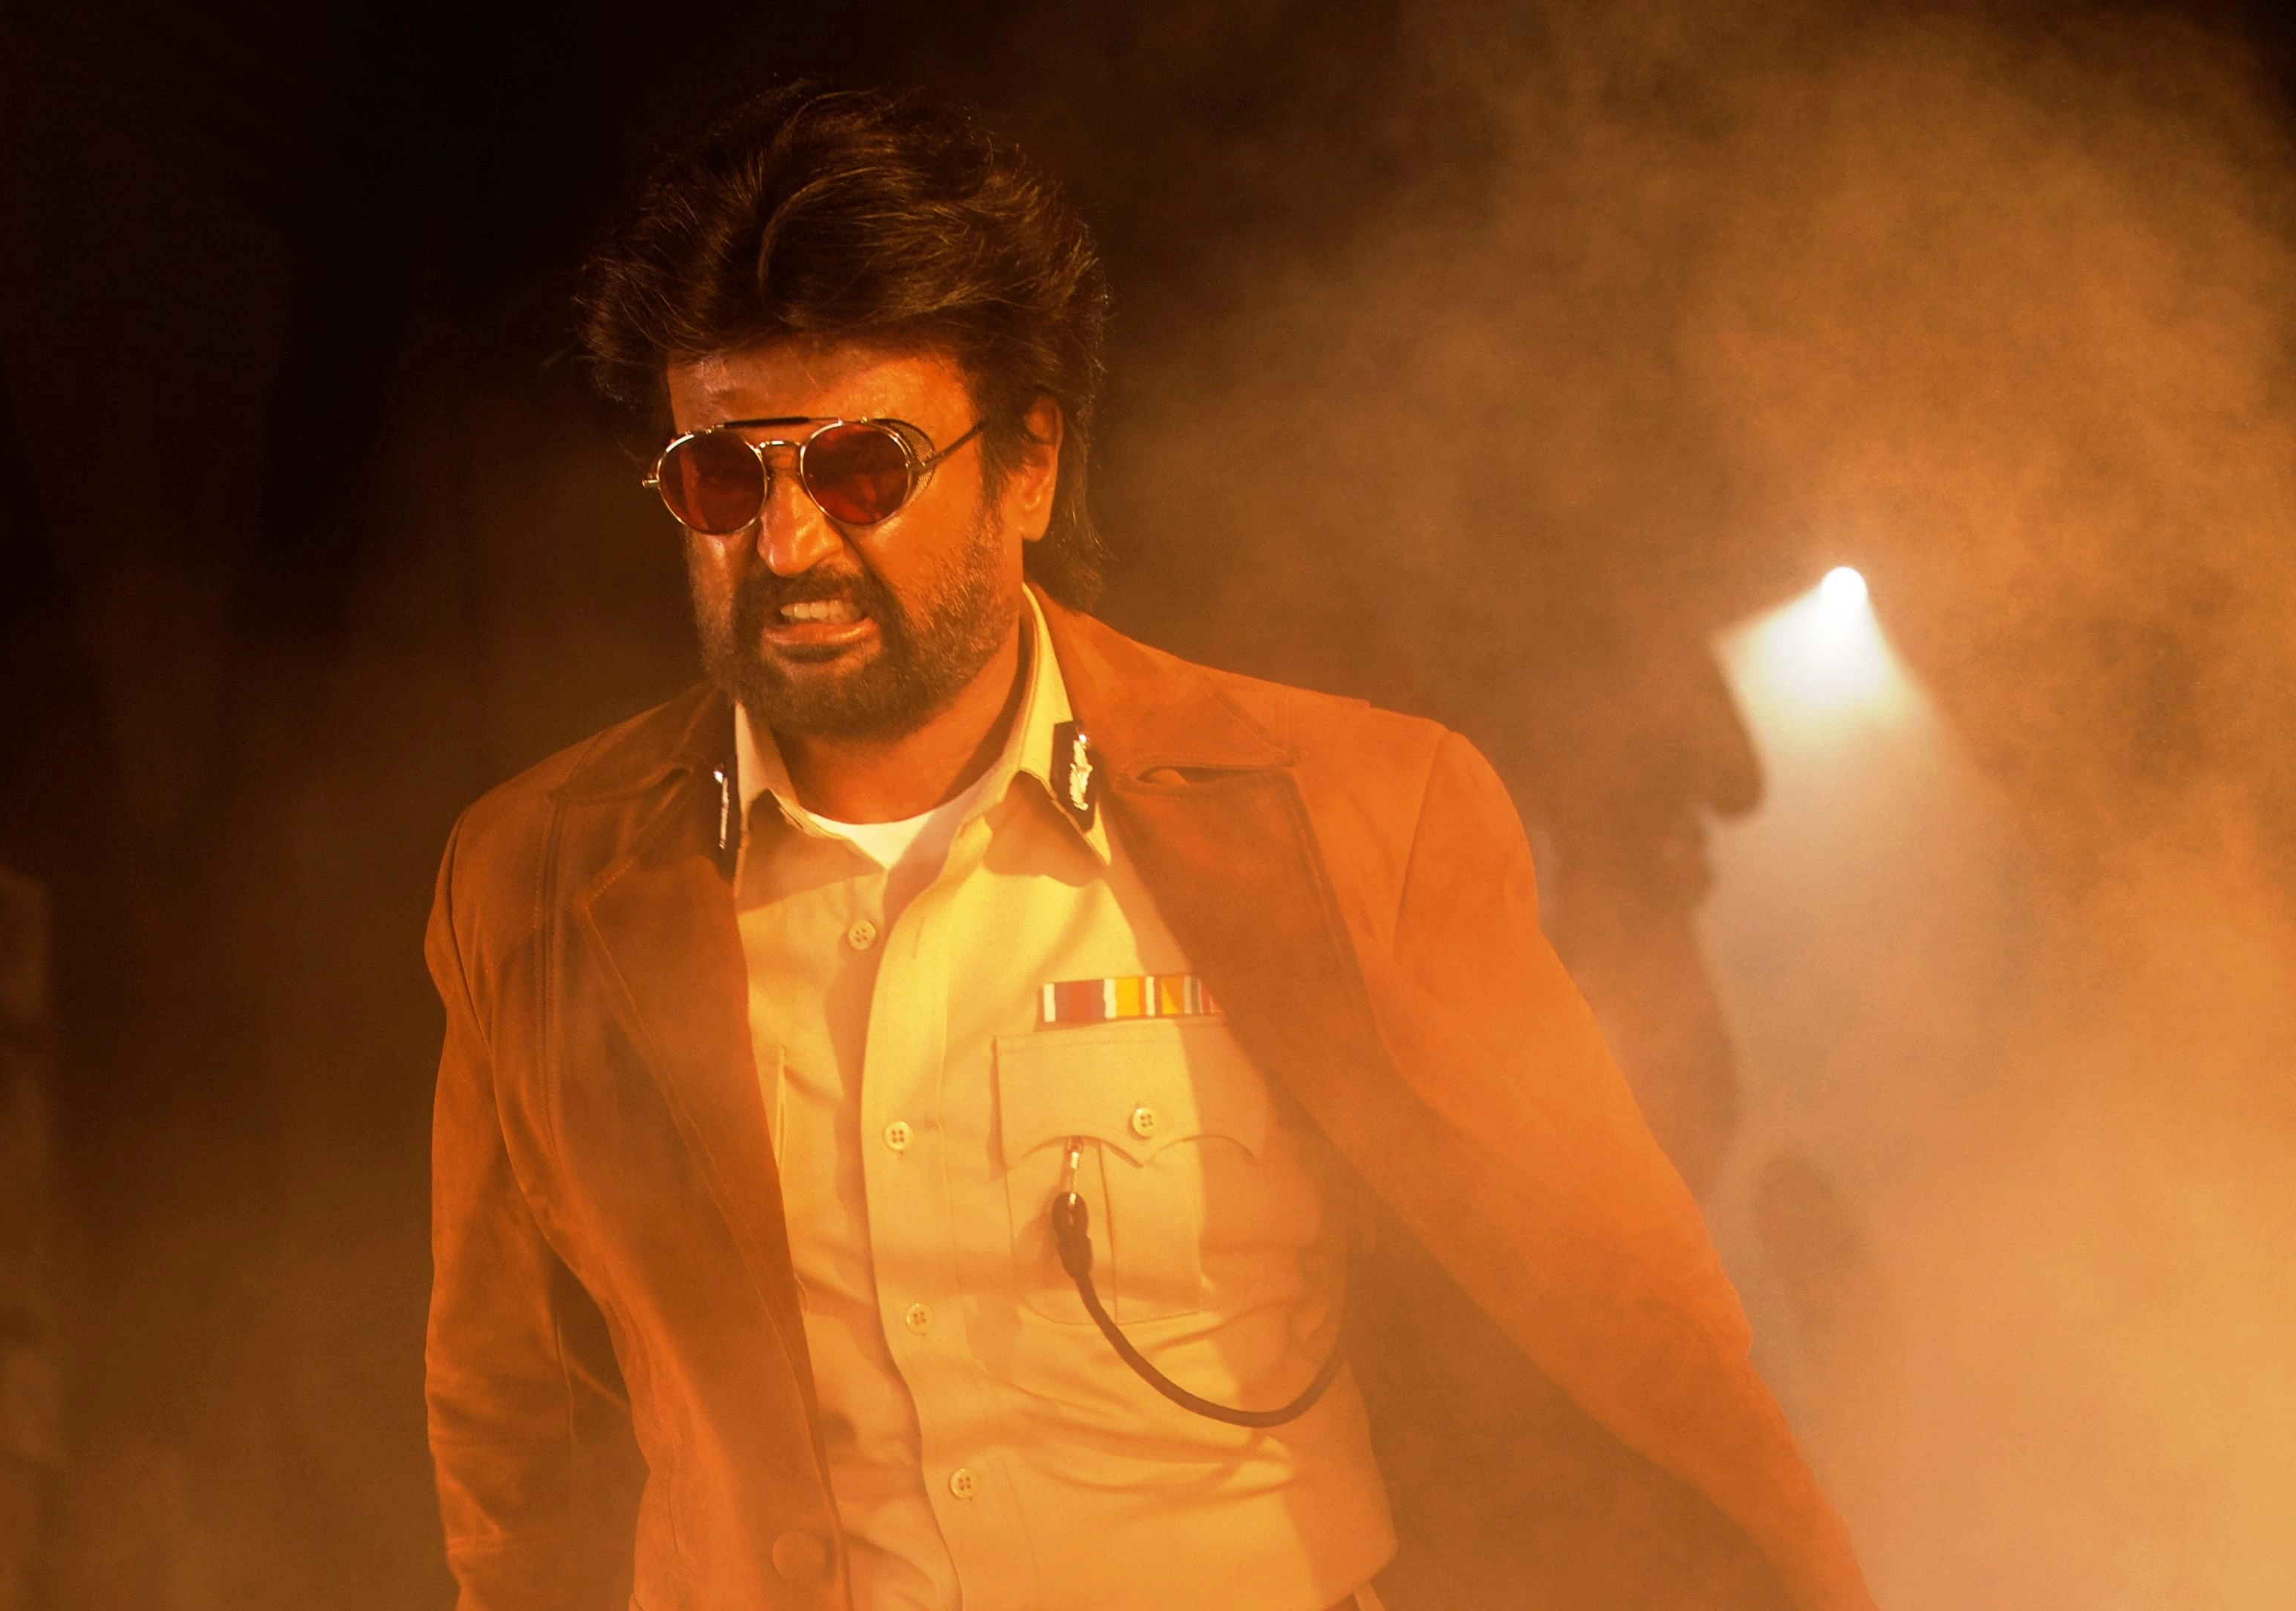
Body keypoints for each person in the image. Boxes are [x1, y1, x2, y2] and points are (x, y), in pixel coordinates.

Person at [422, 83, 1872, 1611]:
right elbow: (517, 1442)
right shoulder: (536, 882)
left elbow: (1633, 1323)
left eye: (862, 470)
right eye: (722, 478)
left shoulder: (1359, 813)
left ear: (1029, 466)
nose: (786, 546)